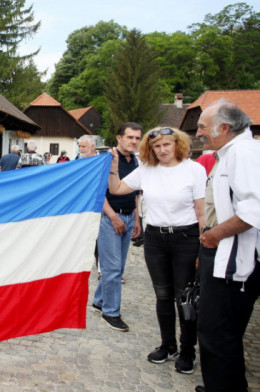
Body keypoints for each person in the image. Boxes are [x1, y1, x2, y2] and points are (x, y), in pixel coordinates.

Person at [107, 127, 205, 373]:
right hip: (155, 239)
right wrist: (113, 165)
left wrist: (203, 246)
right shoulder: (146, 170)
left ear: (177, 145)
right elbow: (117, 189)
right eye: (157, 146)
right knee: (162, 296)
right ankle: (168, 345)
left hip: (186, 237)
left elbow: (201, 212)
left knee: (184, 297)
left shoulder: (194, 170)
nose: (162, 150)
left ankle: (187, 351)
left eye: (166, 145)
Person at [194, 100, 260, 392]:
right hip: (222, 254)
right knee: (218, 333)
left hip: (233, 261)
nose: (198, 133)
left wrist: (213, 235)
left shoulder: (243, 153)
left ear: (224, 128)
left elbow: (254, 209)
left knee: (218, 335)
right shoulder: (231, 153)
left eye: (202, 127)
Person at [91, 122, 142, 332]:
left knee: (117, 267)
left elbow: (135, 192)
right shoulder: (107, 159)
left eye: (138, 138)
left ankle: (99, 300)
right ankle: (111, 313)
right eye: (130, 137)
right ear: (119, 137)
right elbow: (98, 192)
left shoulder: (135, 160)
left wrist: (137, 219)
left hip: (129, 217)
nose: (134, 141)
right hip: (110, 218)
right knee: (112, 269)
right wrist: (113, 217)